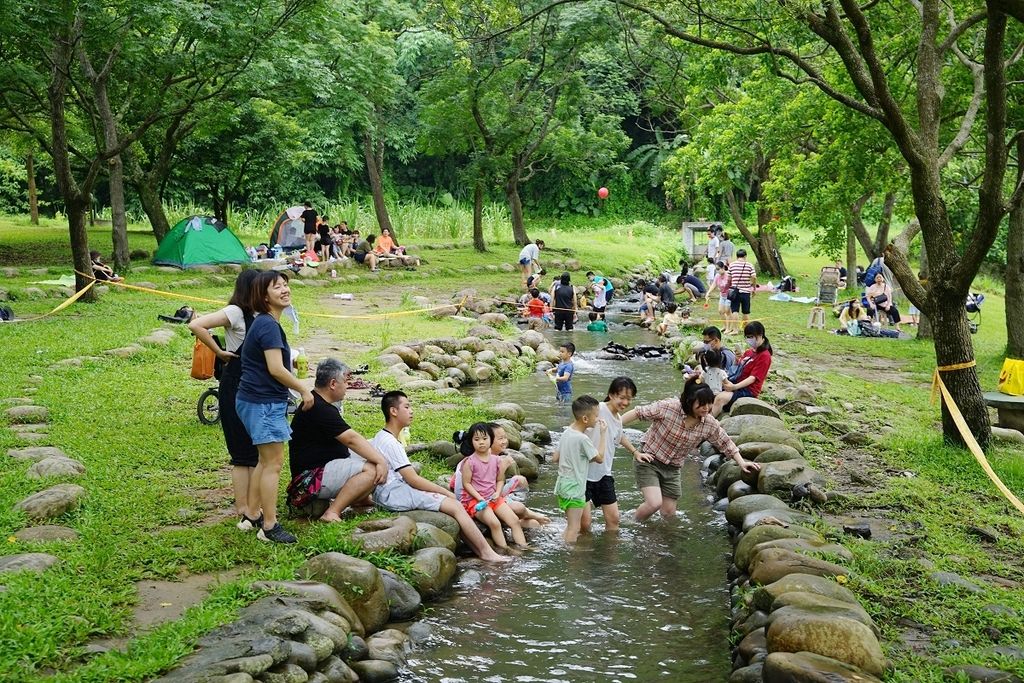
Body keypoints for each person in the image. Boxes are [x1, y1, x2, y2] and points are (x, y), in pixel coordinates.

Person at [370, 391, 511, 562]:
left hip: (390, 492)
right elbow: (412, 479)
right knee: (455, 506)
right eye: (407, 407)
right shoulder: (391, 442)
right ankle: (487, 553)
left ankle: (480, 551)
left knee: (453, 505)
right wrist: (445, 492)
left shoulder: (382, 436)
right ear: (393, 411)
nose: (411, 411)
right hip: (394, 493)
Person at [235, 271, 315, 544]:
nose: (284, 289)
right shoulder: (268, 325)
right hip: (262, 402)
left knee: (264, 460)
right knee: (274, 463)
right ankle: (269, 526)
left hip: (253, 399)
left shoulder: (264, 323)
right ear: (263, 295)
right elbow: (275, 369)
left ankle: (252, 514)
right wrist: (303, 388)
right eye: (276, 286)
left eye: (285, 285)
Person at [623, 376, 759, 521]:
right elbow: (639, 412)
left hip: (673, 469)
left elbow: (725, 443)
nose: (706, 409)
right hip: (649, 460)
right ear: (689, 401)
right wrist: (615, 424)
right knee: (654, 503)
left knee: (669, 514)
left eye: (709, 404)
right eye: (701, 405)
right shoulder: (669, 407)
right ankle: (631, 524)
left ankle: (654, 538)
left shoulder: (709, 423)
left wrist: (742, 463)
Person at [188, 270, 261, 530]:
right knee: (242, 453)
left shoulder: (259, 315)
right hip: (236, 385)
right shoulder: (236, 312)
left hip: (255, 387)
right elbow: (196, 324)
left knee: (256, 451)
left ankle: (254, 507)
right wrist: (219, 351)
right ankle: (243, 507)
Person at [287, 358, 389, 522]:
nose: (347, 386)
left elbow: (352, 440)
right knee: (372, 470)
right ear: (333, 383)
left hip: (325, 463)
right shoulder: (319, 408)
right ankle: (332, 512)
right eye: (346, 381)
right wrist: (380, 461)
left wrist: (379, 457)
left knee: (375, 453)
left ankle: (360, 499)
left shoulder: (319, 402)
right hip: (309, 479)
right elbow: (351, 439)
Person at [450, 423, 550, 527]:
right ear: (490, 440)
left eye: (505, 437)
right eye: (500, 438)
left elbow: (453, 483)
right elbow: (487, 490)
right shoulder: (477, 461)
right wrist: (502, 469)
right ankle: (528, 516)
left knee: (529, 520)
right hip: (476, 503)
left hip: (484, 497)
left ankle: (522, 519)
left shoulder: (486, 458)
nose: (505, 441)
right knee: (519, 492)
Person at [582, 377, 641, 534]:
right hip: (583, 473)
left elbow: (619, 436)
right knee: (585, 524)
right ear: (611, 394)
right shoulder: (598, 409)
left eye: (629, 399)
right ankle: (581, 555)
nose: (625, 403)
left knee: (614, 520)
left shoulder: (618, 419)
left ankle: (609, 556)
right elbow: (578, 426)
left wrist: (635, 452)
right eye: (622, 398)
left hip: (603, 473)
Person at [457, 423, 529, 550]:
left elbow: (500, 480)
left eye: (485, 439)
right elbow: (466, 484)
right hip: (475, 501)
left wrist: (498, 492)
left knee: (514, 520)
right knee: (495, 523)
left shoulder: (496, 460)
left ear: (491, 439)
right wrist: (479, 498)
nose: (481, 443)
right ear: (471, 442)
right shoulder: (470, 462)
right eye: (477, 439)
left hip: (493, 498)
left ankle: (523, 546)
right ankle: (505, 550)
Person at [552, 395, 606, 543]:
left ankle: (564, 547)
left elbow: (555, 458)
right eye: (596, 415)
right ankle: (571, 559)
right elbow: (600, 458)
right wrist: (603, 434)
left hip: (563, 485)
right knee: (574, 528)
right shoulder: (583, 439)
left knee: (570, 526)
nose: (597, 419)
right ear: (585, 419)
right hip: (575, 488)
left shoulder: (567, 432)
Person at [713, 321, 773, 417]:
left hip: (748, 391)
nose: (749, 340)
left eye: (752, 337)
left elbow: (753, 378)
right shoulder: (749, 352)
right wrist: (736, 360)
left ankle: (707, 423)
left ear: (761, 335)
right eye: (748, 337)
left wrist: (734, 387)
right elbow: (735, 369)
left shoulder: (765, 356)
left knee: (720, 398)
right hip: (735, 383)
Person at [727, 249, 757, 328]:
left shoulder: (732, 265)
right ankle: (745, 328)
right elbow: (754, 277)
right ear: (745, 256)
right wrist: (753, 288)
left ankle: (735, 329)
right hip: (746, 291)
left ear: (737, 256)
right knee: (746, 312)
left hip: (735, 291)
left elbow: (729, 279)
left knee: (735, 310)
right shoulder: (749, 265)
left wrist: (730, 286)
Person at [704, 261, 734, 335]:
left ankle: (729, 328)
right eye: (716, 269)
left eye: (718, 269)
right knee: (721, 311)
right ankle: (724, 326)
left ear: (723, 268)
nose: (718, 271)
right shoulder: (717, 276)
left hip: (729, 295)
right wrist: (708, 292)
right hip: (722, 295)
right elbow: (714, 284)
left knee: (727, 311)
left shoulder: (728, 275)